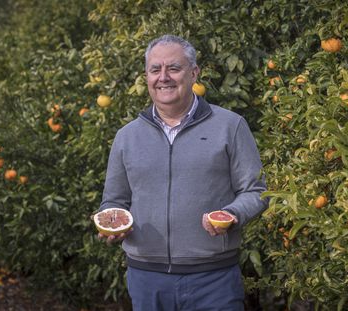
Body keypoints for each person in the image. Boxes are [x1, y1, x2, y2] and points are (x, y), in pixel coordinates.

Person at [98, 34, 269, 311]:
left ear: (194, 73)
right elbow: (114, 201)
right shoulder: (127, 137)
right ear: (147, 76)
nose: (163, 77)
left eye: (173, 68)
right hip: (146, 278)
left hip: (214, 278)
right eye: (155, 69)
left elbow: (256, 191)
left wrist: (233, 214)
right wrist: (112, 227)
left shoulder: (230, 126)